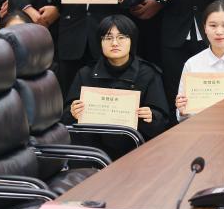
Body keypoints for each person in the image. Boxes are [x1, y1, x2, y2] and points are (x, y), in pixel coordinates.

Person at [63, 14, 170, 156]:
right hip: (94, 151)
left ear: (132, 40)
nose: (114, 43)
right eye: (108, 38)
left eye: (121, 37)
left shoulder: (148, 74)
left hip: (137, 151)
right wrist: (73, 112)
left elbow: (162, 121)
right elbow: (66, 118)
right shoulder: (86, 73)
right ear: (100, 42)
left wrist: (151, 116)